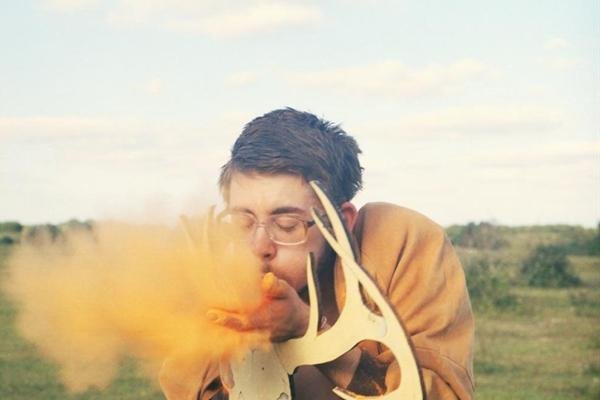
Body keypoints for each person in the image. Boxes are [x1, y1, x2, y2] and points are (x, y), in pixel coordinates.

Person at [159, 108, 474, 400]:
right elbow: (185, 387)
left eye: (287, 225)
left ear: (341, 222)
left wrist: (309, 330)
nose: (258, 247)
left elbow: (440, 392)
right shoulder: (218, 261)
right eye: (243, 222)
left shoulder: (401, 244)